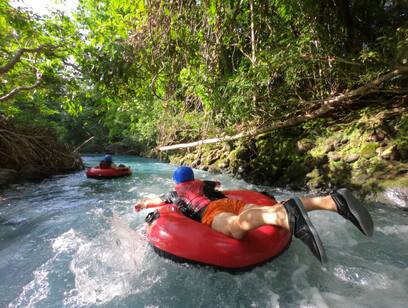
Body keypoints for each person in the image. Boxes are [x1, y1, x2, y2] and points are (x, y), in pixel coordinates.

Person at [134, 166, 374, 263]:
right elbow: (218, 184)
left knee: (236, 229)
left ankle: (291, 216)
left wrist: (142, 204)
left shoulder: (174, 194)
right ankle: (333, 201)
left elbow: (154, 202)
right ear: (192, 178)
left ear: (176, 183)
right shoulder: (204, 183)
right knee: (268, 212)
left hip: (212, 211)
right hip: (232, 202)